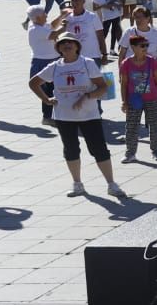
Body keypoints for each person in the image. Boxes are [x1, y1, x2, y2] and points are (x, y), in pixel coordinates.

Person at [29, 35, 126, 198]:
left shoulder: (87, 63)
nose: (67, 45)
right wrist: (46, 99)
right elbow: (33, 83)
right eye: (63, 43)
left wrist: (87, 96)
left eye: (70, 43)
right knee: (71, 149)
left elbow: (103, 87)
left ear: (77, 46)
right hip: (64, 116)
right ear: (58, 48)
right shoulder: (54, 67)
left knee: (99, 149)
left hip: (89, 115)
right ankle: (77, 184)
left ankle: (111, 184)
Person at [117, 34, 157, 163]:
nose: (145, 48)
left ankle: (156, 151)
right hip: (134, 99)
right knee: (131, 126)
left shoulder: (151, 61)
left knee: (154, 125)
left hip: (152, 98)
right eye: (142, 46)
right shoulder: (126, 63)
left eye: (146, 45)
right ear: (133, 47)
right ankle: (130, 153)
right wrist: (124, 101)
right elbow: (124, 84)